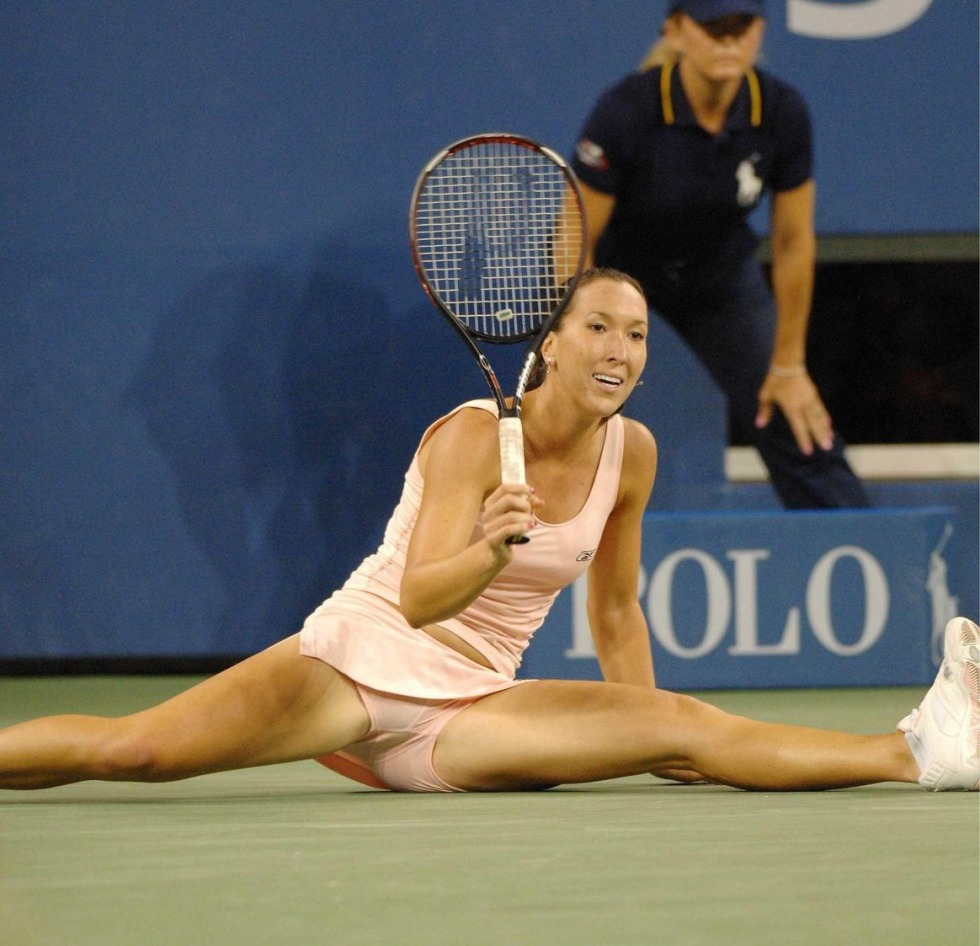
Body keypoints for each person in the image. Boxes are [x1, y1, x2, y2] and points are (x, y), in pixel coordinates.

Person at [0, 269, 976, 794]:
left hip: (469, 713)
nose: (619, 350)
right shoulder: (472, 434)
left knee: (685, 724)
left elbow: (616, 604)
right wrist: (487, 550)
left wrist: (641, 732)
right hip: (355, 669)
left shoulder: (628, 452)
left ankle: (919, 749)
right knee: (132, 753)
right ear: (548, 342)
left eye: (634, 334)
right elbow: (422, 598)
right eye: (597, 327)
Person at [570, 0, 870, 509]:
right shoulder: (627, 109)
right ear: (677, 31)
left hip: (719, 282)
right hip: (623, 283)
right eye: (711, 28)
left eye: (740, 28)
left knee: (790, 414)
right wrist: (578, 329)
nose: (726, 42)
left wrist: (790, 364)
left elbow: (794, 241)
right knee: (574, 413)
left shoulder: (781, 111)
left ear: (759, 33)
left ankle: (868, 548)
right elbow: (575, 236)